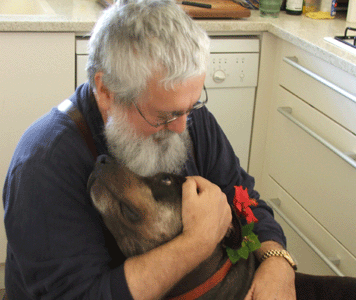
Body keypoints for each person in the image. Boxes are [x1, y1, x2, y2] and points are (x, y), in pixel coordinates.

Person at [2, 0, 295, 299]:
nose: (182, 127)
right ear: (106, 92)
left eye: (190, 107)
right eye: (163, 116)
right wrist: (196, 244)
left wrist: (277, 262)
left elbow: (245, 199)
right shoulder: (44, 165)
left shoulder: (187, 120)